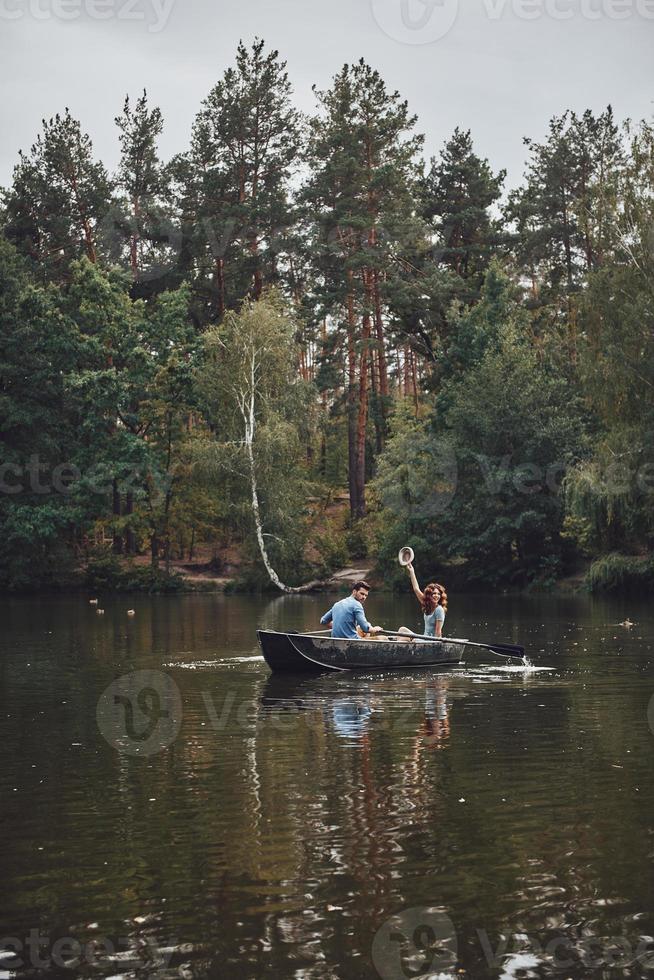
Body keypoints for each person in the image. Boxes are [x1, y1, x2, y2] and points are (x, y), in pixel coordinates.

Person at [320, 581, 384, 639]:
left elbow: (323, 621)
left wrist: (339, 626)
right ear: (354, 592)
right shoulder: (357, 605)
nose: (364, 597)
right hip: (351, 640)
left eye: (366, 595)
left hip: (335, 639)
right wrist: (374, 629)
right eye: (362, 594)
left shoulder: (337, 604)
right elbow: (365, 628)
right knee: (382, 638)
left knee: (363, 626)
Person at [403, 561, 448, 637]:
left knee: (404, 637)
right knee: (402, 630)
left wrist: (437, 646)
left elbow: (438, 632)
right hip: (423, 638)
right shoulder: (427, 604)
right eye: (434, 593)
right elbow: (416, 589)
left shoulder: (439, 610)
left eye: (438, 594)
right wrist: (412, 571)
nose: (436, 596)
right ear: (429, 595)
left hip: (431, 642)